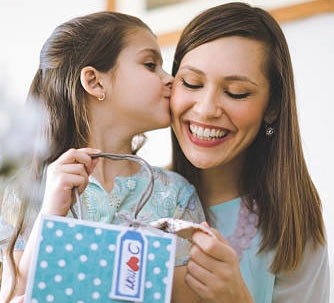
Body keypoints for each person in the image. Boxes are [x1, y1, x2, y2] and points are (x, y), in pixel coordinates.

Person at [0, 11, 205, 302]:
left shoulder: (176, 195)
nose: (170, 80)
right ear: (95, 82)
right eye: (151, 65)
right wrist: (50, 213)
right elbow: (13, 296)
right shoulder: (29, 189)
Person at [170, 2, 330, 303]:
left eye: (236, 92)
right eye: (191, 83)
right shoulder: (137, 196)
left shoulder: (291, 224)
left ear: (271, 107)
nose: (205, 109)